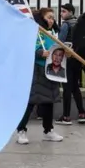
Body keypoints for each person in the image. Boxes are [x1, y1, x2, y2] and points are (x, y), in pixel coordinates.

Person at [15, 8, 65, 145]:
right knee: (31, 101)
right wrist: (39, 53)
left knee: (49, 101)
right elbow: (26, 48)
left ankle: (48, 130)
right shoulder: (35, 31)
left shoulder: (54, 33)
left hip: (51, 69)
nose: (51, 20)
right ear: (41, 18)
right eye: (49, 17)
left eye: (53, 18)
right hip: (38, 70)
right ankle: (21, 129)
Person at [56, 3, 85, 125]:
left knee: (67, 87)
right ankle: (82, 113)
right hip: (77, 58)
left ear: (70, 12)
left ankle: (66, 116)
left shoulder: (65, 25)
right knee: (75, 87)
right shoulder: (78, 23)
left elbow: (60, 42)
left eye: (63, 11)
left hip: (67, 59)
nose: (61, 13)